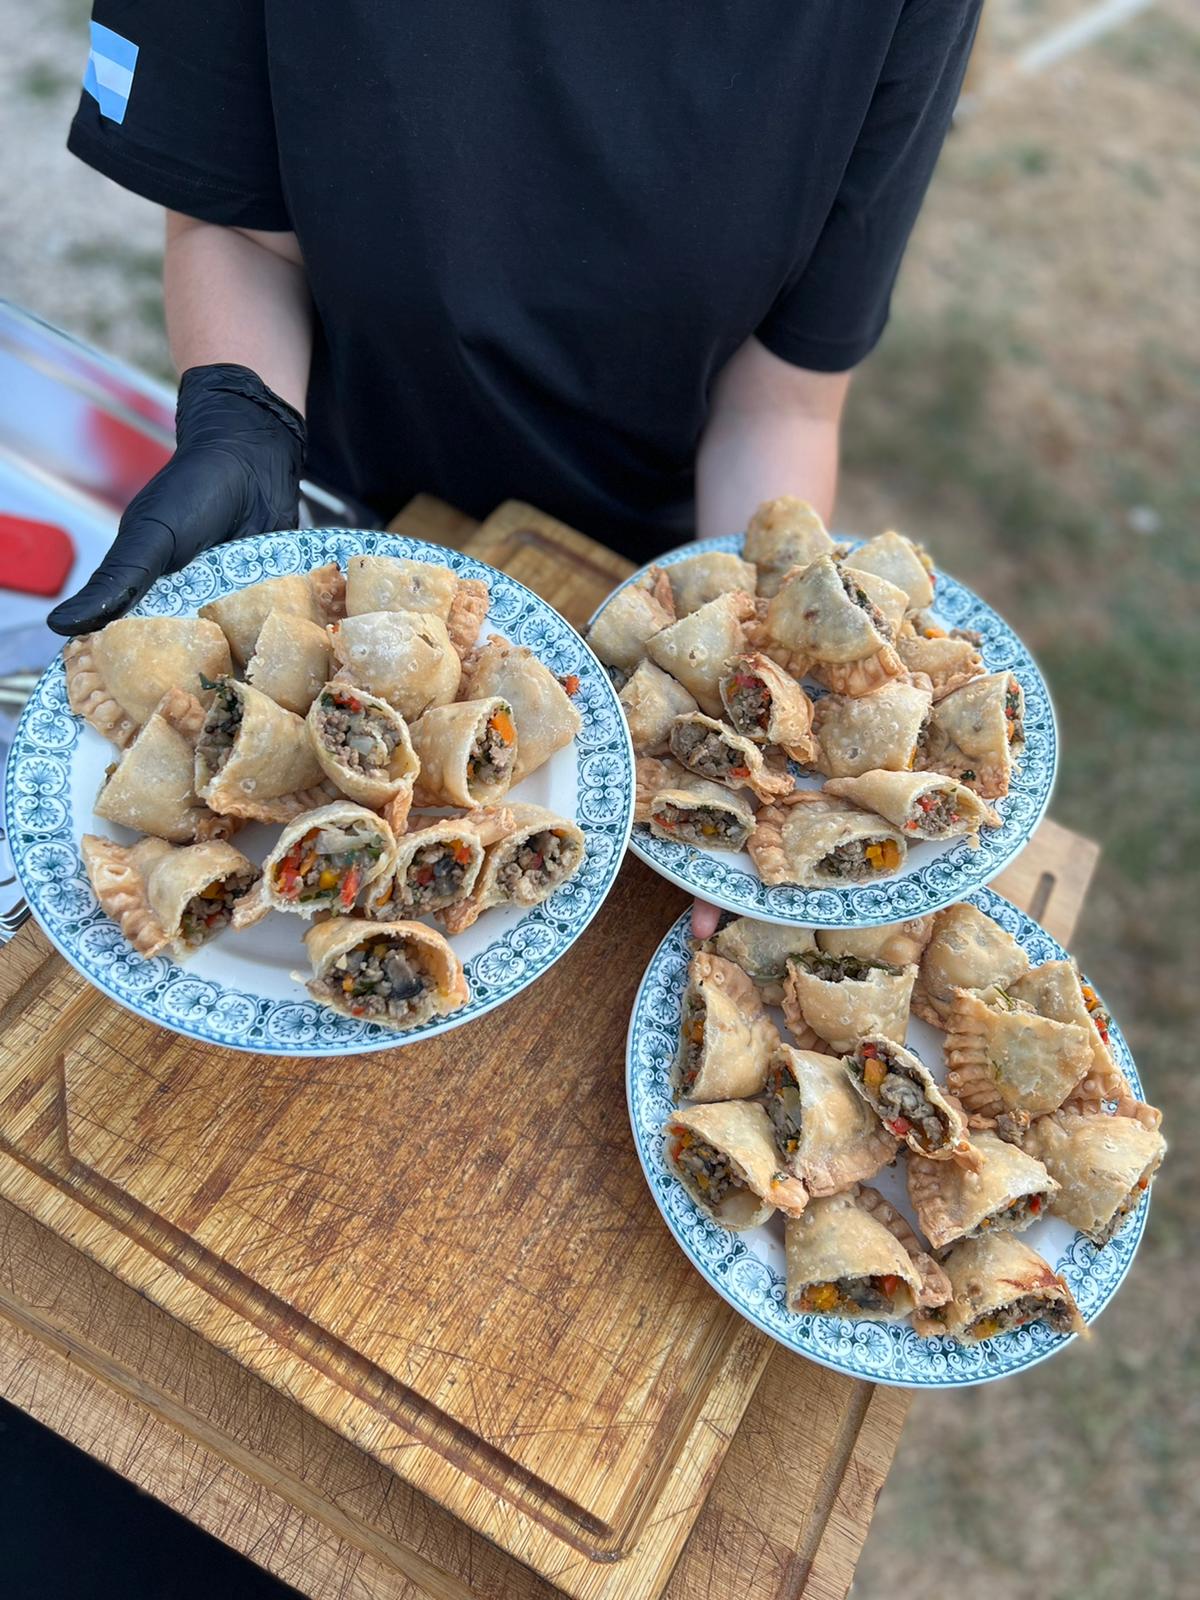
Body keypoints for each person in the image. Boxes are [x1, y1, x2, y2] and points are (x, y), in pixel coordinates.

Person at [51, 3, 982, 936]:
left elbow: (782, 401)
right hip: (331, 511)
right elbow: (239, 228)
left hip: (650, 597)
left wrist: (755, 707)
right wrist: (243, 416)